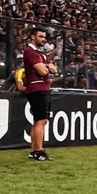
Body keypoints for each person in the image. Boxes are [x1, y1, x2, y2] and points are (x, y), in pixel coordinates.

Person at [23, 28, 57, 161]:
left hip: (43, 88)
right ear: (32, 37)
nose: (43, 39)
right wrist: (47, 66)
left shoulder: (40, 53)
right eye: (41, 36)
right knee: (40, 121)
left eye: (44, 37)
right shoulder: (30, 52)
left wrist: (46, 66)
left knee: (40, 121)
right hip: (37, 89)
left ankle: (34, 150)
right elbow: (43, 71)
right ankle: (39, 151)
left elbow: (53, 69)